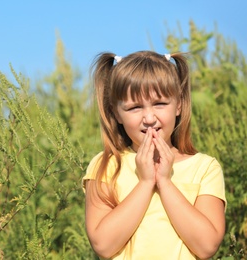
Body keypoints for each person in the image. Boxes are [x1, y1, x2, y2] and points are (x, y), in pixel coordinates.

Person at [83, 51, 226, 259]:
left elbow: (207, 246)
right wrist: (145, 182)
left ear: (179, 104)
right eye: (134, 107)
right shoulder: (105, 165)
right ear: (116, 113)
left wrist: (165, 182)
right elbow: (103, 245)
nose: (149, 118)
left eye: (159, 104)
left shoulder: (205, 168)